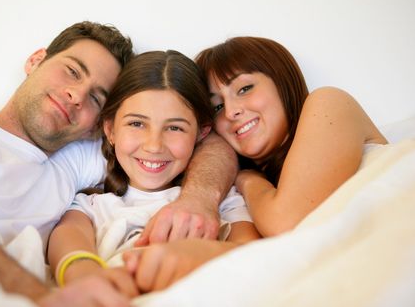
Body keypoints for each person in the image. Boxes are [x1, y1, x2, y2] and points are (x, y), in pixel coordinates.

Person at [0, 21, 238, 306]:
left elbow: (209, 143)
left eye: (96, 97)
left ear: (98, 125)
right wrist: (41, 297)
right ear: (36, 60)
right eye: (72, 71)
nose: (76, 95)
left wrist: (199, 199)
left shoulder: (77, 161)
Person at [122, 36, 388, 293]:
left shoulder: (328, 102)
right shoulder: (250, 199)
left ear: (283, 81)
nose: (231, 111)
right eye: (217, 107)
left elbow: (285, 222)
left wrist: (247, 178)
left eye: (245, 88)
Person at [46, 50, 261, 297]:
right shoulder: (92, 205)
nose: (154, 145)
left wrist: (201, 254)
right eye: (137, 124)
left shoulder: (221, 200)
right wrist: (85, 272)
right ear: (110, 130)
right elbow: (68, 236)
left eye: (174, 127)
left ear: (201, 133)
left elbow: (253, 252)